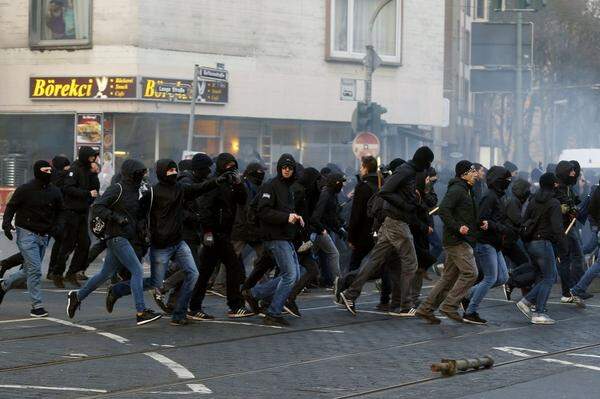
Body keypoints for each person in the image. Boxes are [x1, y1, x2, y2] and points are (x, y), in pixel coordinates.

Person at [106, 159, 223, 325]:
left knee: (193, 273)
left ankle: (179, 313)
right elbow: (137, 214)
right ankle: (117, 290)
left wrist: (217, 181)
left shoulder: (181, 189)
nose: (173, 173)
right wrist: (139, 234)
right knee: (155, 282)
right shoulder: (152, 193)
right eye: (169, 170)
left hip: (179, 241)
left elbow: (198, 189)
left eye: (175, 170)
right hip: (161, 244)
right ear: (161, 172)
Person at [339, 147, 434, 317]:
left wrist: (415, 201)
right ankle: (405, 305)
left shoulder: (408, 171)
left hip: (392, 223)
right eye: (428, 163)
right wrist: (406, 205)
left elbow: (400, 194)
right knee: (411, 263)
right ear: (423, 161)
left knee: (374, 261)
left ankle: (349, 294)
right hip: (397, 223)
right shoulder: (405, 171)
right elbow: (385, 191)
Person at [66, 160, 163, 326]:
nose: (143, 176)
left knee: (104, 274)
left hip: (125, 237)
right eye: (140, 173)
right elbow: (97, 206)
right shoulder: (117, 188)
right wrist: (116, 218)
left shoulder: (137, 190)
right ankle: (141, 311)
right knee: (137, 271)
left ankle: (77, 296)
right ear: (131, 173)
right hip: (117, 236)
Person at [188, 153, 255, 319]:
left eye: (233, 165)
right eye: (228, 165)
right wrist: (208, 233)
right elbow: (205, 209)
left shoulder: (232, 182)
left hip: (224, 232)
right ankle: (235, 304)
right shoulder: (214, 183)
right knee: (230, 266)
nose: (231, 169)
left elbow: (242, 200)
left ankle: (195, 306)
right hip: (215, 233)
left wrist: (239, 184)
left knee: (206, 271)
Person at [416, 160, 483, 324]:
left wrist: (479, 223)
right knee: (471, 273)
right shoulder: (457, 190)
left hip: (460, 239)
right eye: (473, 171)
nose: (476, 174)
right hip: (457, 240)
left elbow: (466, 212)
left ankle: (425, 309)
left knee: (448, 278)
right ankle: (450, 305)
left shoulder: (467, 190)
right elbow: (444, 210)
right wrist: (458, 227)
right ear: (464, 174)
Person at [243, 154, 304, 327]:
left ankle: (255, 293)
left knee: (295, 274)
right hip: (275, 237)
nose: (287, 170)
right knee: (290, 275)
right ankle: (273, 312)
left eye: (290, 168)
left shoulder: (288, 187)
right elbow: (264, 211)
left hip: (285, 236)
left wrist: (296, 219)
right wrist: (287, 217)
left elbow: (284, 211)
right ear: (279, 168)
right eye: (284, 167)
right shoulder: (271, 185)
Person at [0, 161, 63, 317]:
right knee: (35, 270)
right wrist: (6, 224)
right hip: (26, 234)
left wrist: (58, 227)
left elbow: (61, 212)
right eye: (45, 170)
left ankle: (3, 285)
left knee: (28, 271)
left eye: (51, 170)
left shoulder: (55, 191)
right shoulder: (25, 189)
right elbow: (11, 206)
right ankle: (37, 306)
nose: (49, 172)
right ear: (37, 171)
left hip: (44, 236)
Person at [516, 173, 570, 325]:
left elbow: (524, 219)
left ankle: (537, 307)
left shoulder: (533, 200)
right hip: (543, 243)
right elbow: (557, 228)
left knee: (542, 275)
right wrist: (563, 247)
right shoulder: (553, 203)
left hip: (530, 243)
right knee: (550, 277)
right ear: (553, 185)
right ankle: (533, 307)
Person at [462, 166, 511, 324]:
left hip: (495, 243)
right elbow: (481, 220)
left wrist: (496, 226)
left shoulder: (497, 196)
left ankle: (467, 295)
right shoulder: (489, 197)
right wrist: (494, 225)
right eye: (506, 180)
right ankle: (471, 311)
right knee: (490, 278)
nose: (508, 183)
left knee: (502, 277)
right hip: (486, 243)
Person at [53, 146, 99, 288]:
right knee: (68, 244)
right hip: (71, 212)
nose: (93, 159)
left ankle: (72, 273)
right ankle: (57, 273)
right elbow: (68, 188)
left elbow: (94, 188)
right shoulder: (74, 169)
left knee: (85, 244)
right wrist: (86, 194)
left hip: (82, 212)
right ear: (85, 156)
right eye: (91, 157)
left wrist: (94, 174)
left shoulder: (88, 170)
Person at [310, 172, 347, 286]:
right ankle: (338, 282)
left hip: (319, 231)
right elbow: (316, 217)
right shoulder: (326, 195)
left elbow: (331, 216)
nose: (342, 185)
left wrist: (339, 229)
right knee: (333, 253)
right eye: (340, 182)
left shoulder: (331, 194)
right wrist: (322, 230)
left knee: (308, 259)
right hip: (318, 232)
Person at [347, 156, 380, 272]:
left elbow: (356, 214)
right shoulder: (381, 185)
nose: (360, 169)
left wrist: (351, 237)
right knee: (382, 263)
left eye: (361, 167)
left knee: (355, 262)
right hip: (379, 230)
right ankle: (387, 289)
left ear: (366, 168)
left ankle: (347, 287)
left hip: (363, 232)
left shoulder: (362, 187)